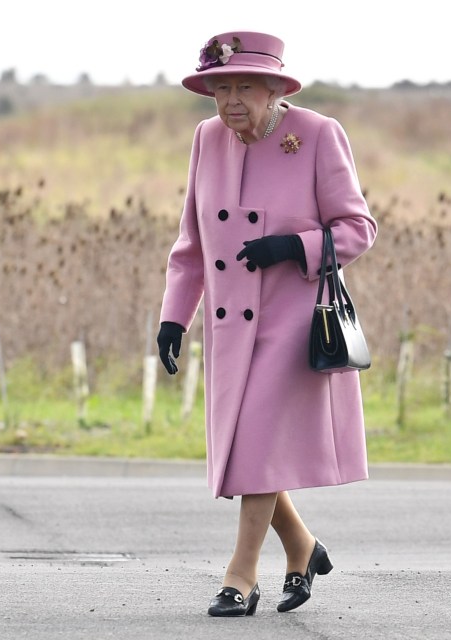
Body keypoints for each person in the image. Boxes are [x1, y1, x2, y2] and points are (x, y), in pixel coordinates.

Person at [156, 31, 377, 617]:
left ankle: (240, 576)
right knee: (249, 449)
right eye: (220, 88)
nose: (230, 101)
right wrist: (175, 317)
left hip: (291, 322)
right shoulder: (207, 139)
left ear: (276, 88)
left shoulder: (317, 135)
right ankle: (302, 548)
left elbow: (358, 229)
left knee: (251, 444)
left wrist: (290, 246)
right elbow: (192, 243)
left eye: (244, 87)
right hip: (231, 329)